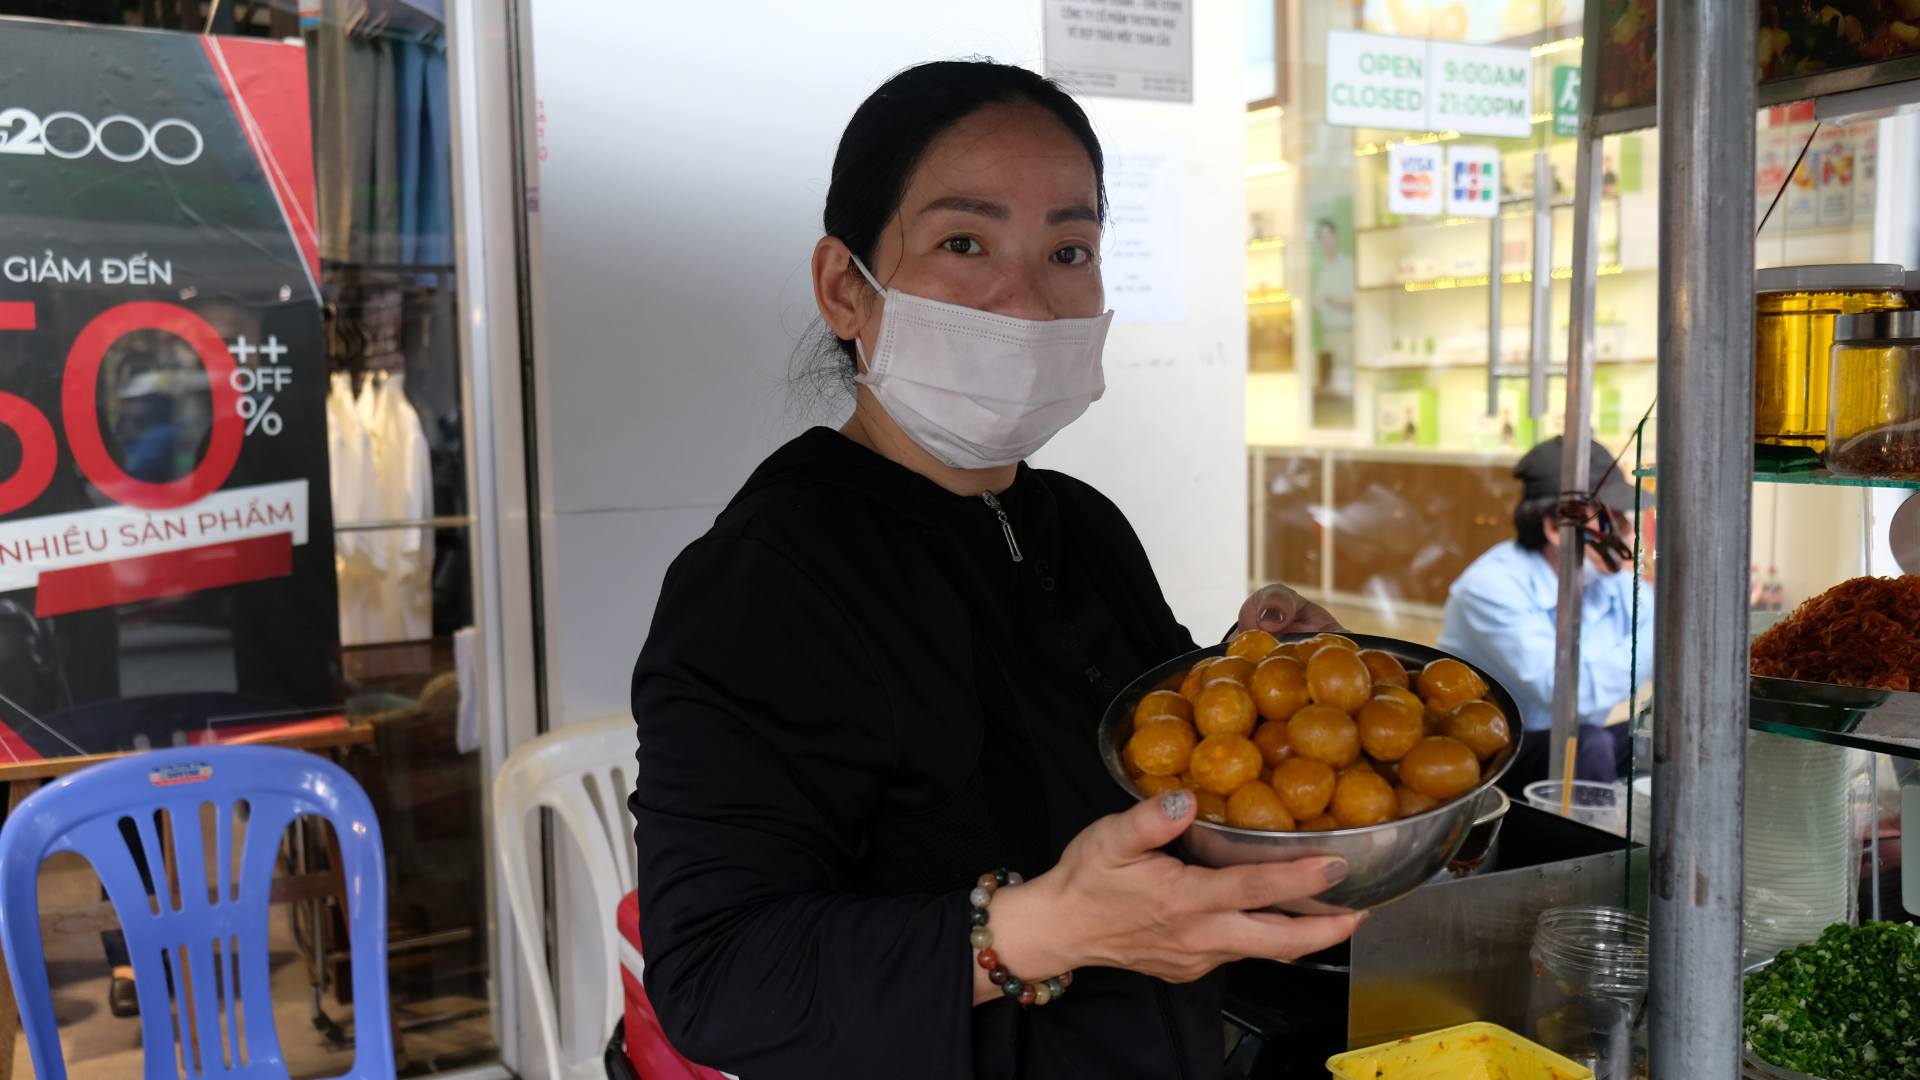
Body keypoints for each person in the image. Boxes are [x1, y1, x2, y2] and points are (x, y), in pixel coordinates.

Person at [629, 61, 1363, 1080]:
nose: (1025, 300)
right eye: (964, 242)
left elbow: (1149, 780)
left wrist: (1258, 697)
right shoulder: (767, 580)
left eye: (1070, 248)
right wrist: (1031, 932)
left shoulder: (1082, 526)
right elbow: (719, 978)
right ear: (847, 288)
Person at [1437, 437, 1654, 792]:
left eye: (1625, 516)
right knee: (1588, 745)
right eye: (1609, 518)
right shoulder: (1490, 587)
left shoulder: (1606, 578)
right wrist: (1663, 632)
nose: (1628, 529)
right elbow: (1574, 694)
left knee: (1659, 741)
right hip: (1490, 758)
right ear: (1555, 527)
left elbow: (1660, 632)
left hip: (1571, 741)